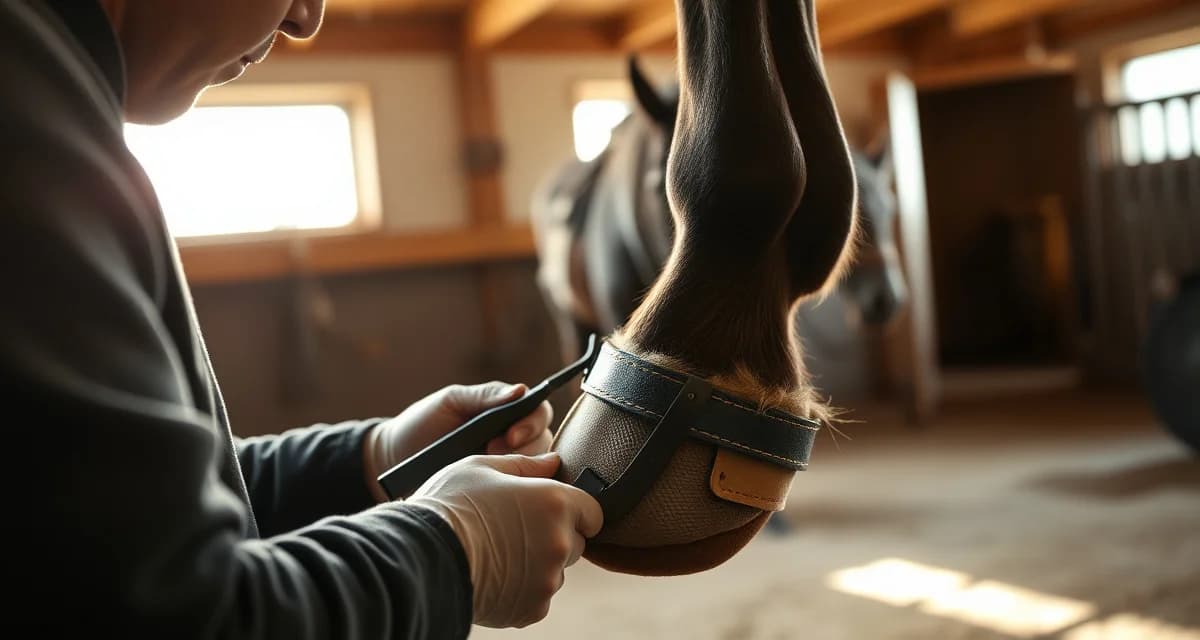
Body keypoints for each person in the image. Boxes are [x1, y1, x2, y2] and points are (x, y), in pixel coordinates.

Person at [1, 1, 604, 637]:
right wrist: (454, 550)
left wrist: (369, 461)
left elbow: (114, 514)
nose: (305, 19)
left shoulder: (53, 93)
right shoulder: (24, 125)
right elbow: (176, 616)